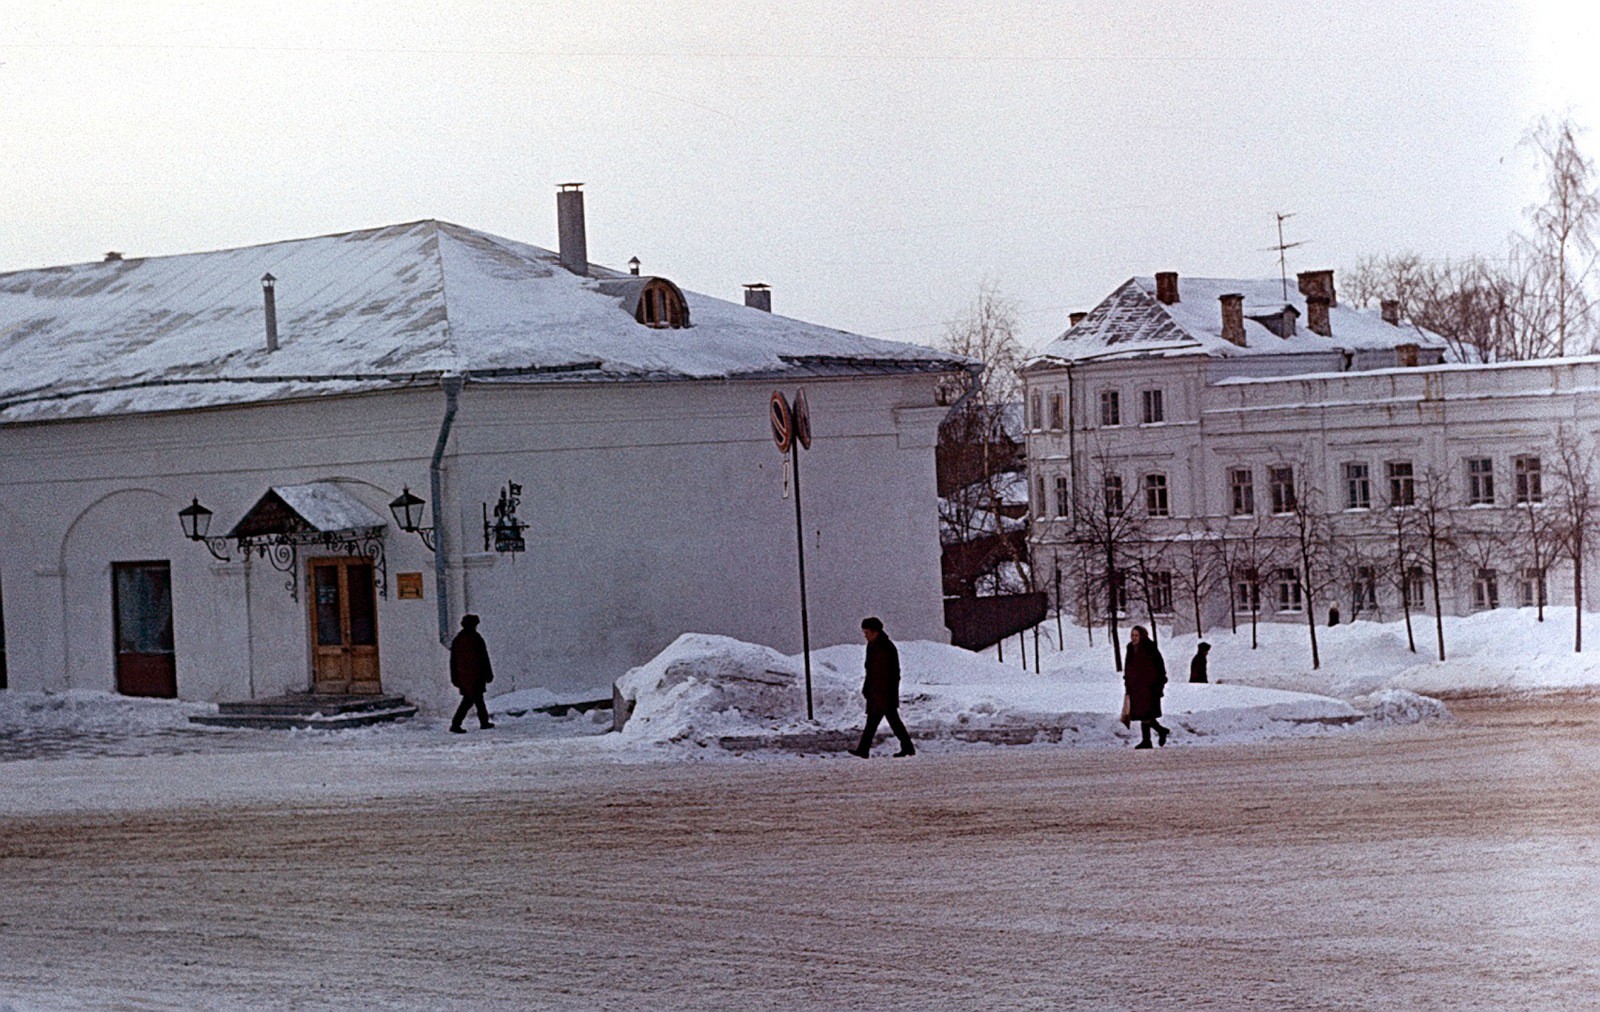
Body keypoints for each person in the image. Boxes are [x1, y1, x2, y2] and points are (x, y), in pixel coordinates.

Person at [848, 617, 915, 758]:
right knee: (877, 722)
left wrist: (875, 690)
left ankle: (865, 749)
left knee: (888, 721)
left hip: (883, 692)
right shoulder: (876, 645)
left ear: (875, 632)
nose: (865, 635)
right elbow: (871, 671)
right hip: (878, 692)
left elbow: (882, 672)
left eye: (866, 632)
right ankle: (864, 749)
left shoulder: (883, 647)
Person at [1122, 625, 1170, 749]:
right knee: (1144, 715)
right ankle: (1160, 731)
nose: (1134, 638)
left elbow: (1159, 666)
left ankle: (1147, 740)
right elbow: (1128, 667)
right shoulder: (1130, 648)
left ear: (1142, 636)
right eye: (1132, 635)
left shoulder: (1150, 648)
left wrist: (1159, 684)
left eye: (1136, 635)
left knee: (1146, 714)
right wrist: (1127, 683)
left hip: (1150, 687)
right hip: (1136, 687)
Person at [449, 613, 495, 733]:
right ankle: (480, 723)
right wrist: (488, 674)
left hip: (464, 676)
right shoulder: (475, 638)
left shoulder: (458, 639)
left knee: (470, 700)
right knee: (475, 700)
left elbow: (453, 661)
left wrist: (455, 677)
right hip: (476, 675)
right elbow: (483, 658)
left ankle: (458, 724)